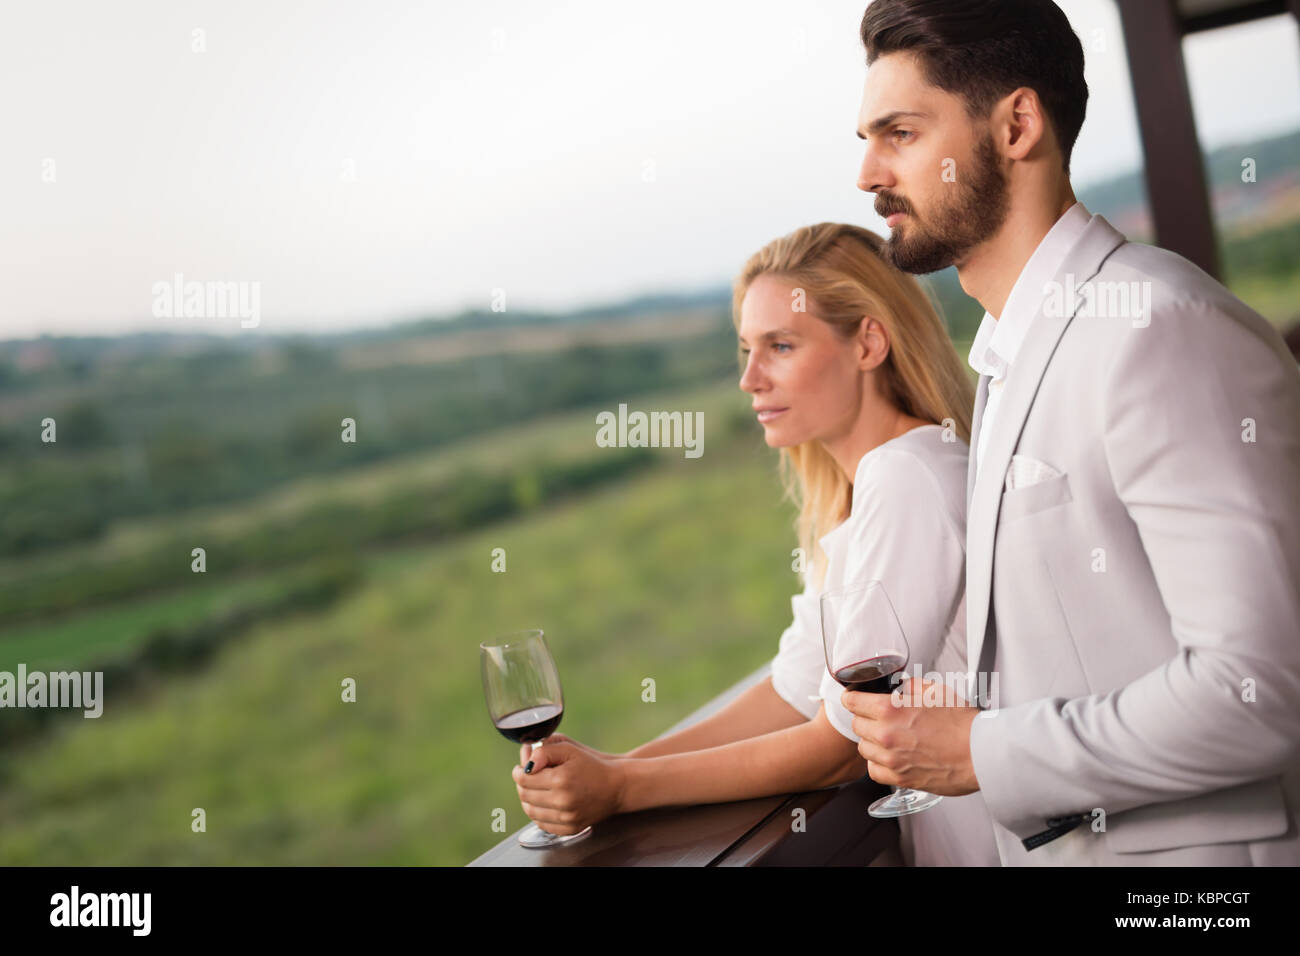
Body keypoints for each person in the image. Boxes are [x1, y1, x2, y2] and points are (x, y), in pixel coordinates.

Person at [841, 0, 1300, 865]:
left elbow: (1264, 692)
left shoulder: (1158, 329)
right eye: (866, 139)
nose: (867, 173)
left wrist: (981, 750)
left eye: (898, 132)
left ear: (1017, 124)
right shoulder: (1011, 356)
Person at [512, 222, 1000, 866]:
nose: (750, 378)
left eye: (781, 346)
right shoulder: (863, 489)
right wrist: (608, 767)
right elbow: (792, 689)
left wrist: (625, 789)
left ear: (869, 343)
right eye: (746, 350)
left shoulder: (906, 474)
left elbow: (837, 745)